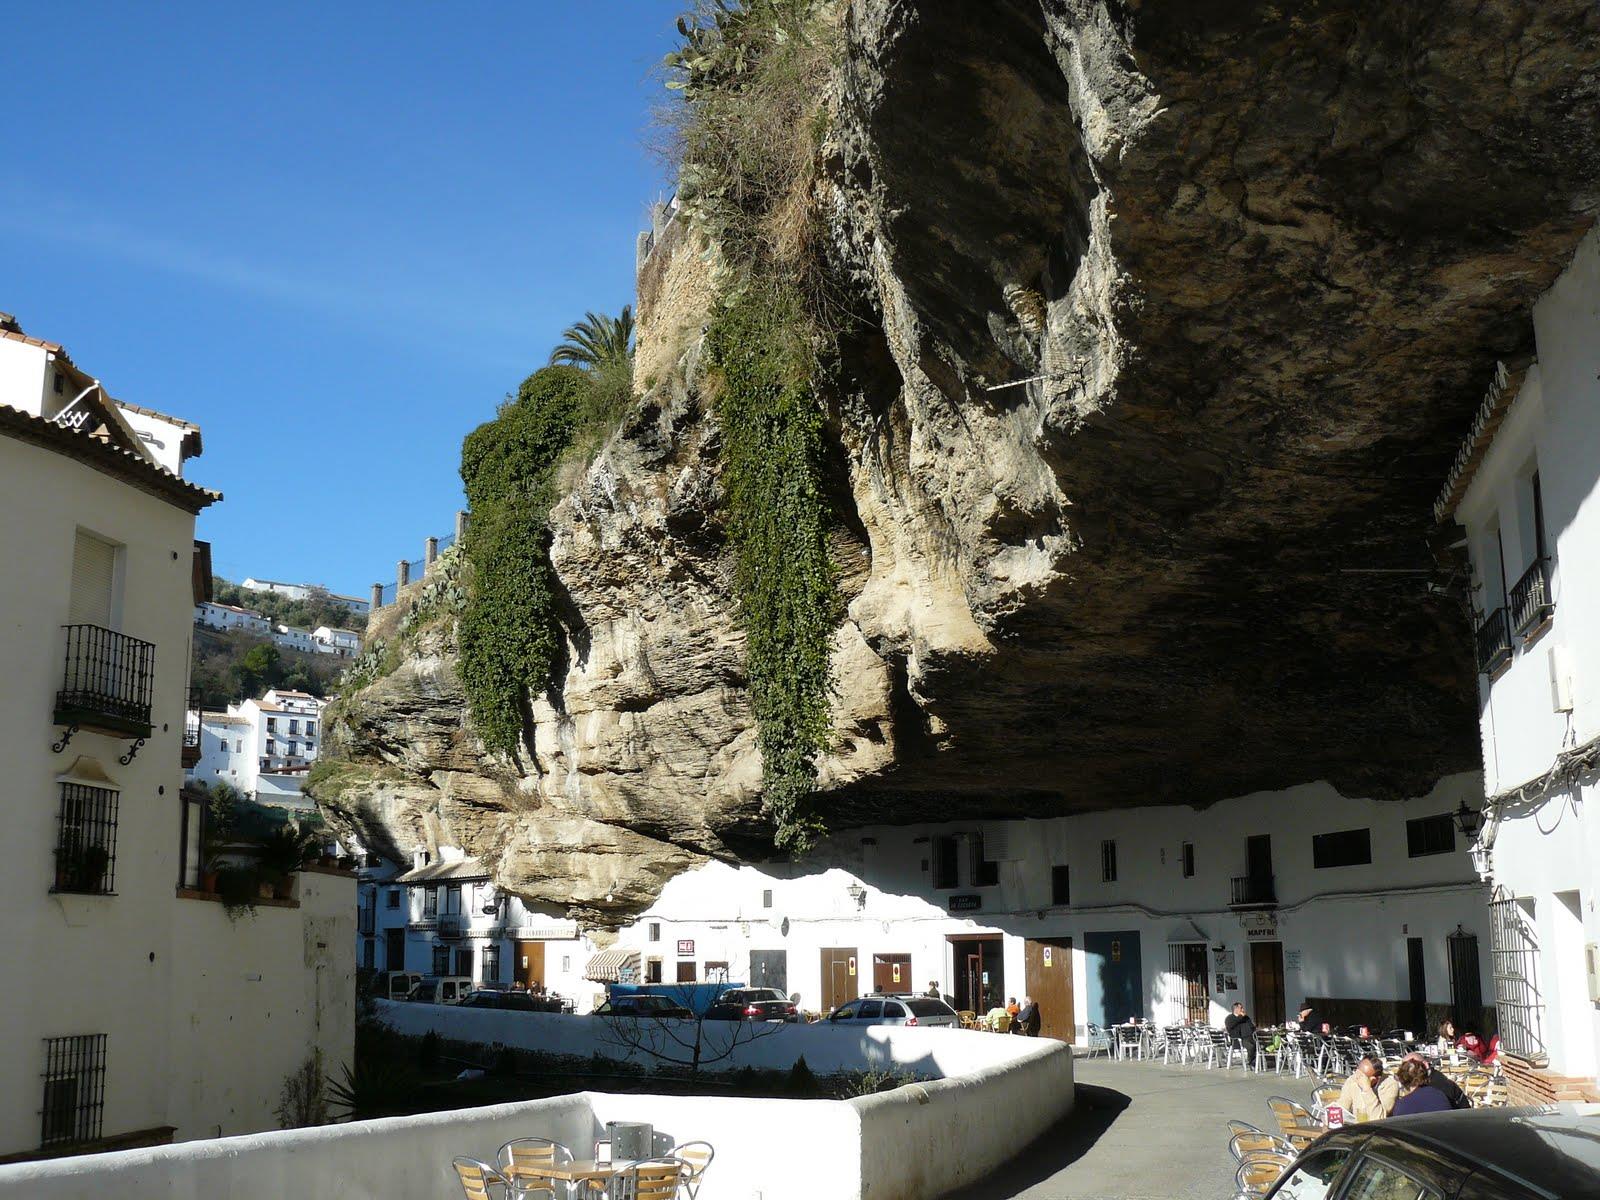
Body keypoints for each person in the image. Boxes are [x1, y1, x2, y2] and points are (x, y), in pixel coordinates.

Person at [1338, 1055, 1399, 1122]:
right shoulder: (1352, 1080)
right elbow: (1342, 1107)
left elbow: (1378, 1118)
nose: (1357, 1077)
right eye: (1357, 1072)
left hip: (1380, 1129)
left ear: (1375, 1079)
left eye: (1362, 1076)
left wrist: (1367, 1089)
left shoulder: (1390, 1085)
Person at [1402, 1052, 1471, 1110]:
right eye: (1404, 1068)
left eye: (1412, 1066)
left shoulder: (1438, 1086)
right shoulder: (1433, 1079)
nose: (1408, 1071)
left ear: (1425, 1065)